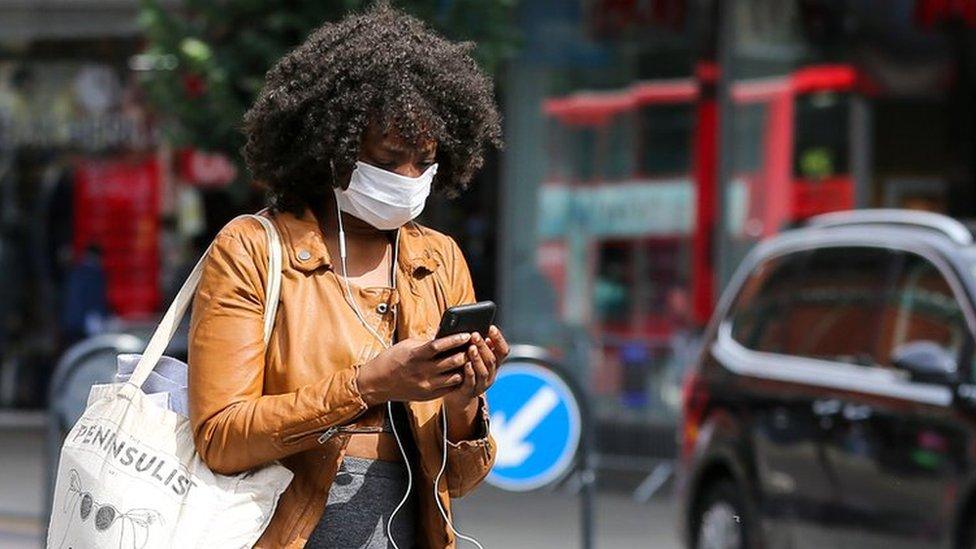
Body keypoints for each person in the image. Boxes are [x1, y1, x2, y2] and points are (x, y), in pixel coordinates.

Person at [186, 4, 509, 549]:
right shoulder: (252, 249)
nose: (408, 178)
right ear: (329, 148)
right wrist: (368, 385)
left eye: (423, 160)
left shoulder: (439, 259)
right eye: (388, 159)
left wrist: (464, 401)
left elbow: (457, 482)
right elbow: (220, 437)